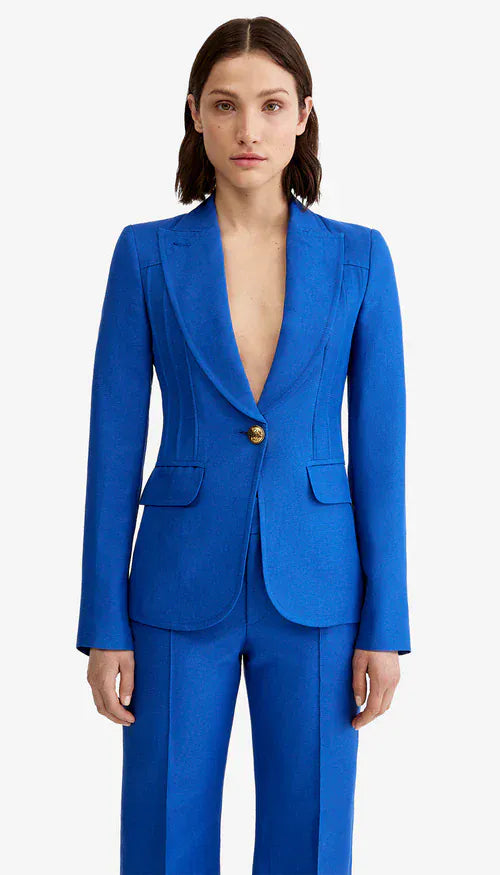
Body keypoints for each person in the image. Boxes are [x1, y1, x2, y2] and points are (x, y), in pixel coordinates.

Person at [76, 15, 411, 875]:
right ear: (195, 113)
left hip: (321, 591)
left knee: (312, 841)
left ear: (304, 114)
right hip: (177, 586)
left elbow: (382, 457)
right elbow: (112, 450)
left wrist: (387, 623)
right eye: (225, 105)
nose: (248, 129)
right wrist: (103, 622)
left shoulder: (359, 259)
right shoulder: (146, 255)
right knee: (164, 837)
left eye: (271, 104)